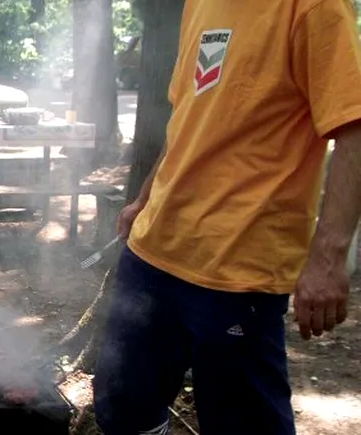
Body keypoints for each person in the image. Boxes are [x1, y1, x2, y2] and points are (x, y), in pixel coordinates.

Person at [92, 1, 361, 434]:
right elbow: (189, 116)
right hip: (155, 250)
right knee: (122, 404)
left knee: (242, 423)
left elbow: (354, 127)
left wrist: (328, 258)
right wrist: (144, 200)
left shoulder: (313, 7)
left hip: (238, 269)